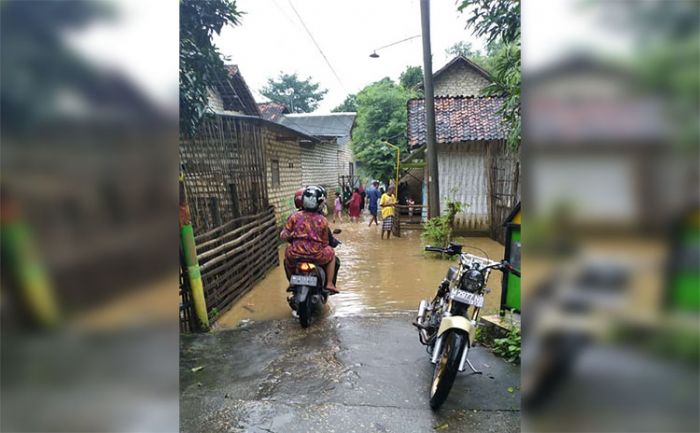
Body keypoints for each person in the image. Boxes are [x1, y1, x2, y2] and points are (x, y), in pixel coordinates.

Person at [280, 186, 338, 293]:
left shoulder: (294, 217)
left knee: (287, 253)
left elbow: (283, 235)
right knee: (332, 253)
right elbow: (325, 243)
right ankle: (329, 283)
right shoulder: (322, 220)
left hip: (296, 255)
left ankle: (292, 281)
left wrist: (290, 236)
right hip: (316, 256)